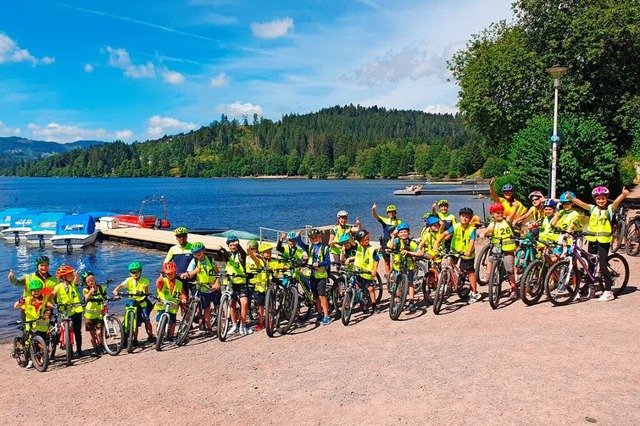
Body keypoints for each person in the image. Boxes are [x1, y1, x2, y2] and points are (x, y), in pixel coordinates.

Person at [566, 186, 630, 301]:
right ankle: (589, 286)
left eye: (603, 198)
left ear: (606, 198)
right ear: (595, 199)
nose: (600, 201)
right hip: (592, 239)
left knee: (603, 265)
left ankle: (608, 291)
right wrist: (571, 198)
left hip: (603, 241)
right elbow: (581, 204)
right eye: (598, 199)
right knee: (590, 263)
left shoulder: (609, 209)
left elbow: (616, 202)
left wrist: (623, 195)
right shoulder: (592, 209)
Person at [433, 207, 481, 303]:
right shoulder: (455, 226)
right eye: (463, 216)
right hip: (454, 250)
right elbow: (444, 234)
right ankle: (447, 282)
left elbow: (472, 241)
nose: (464, 218)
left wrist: (468, 251)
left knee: (469, 271)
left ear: (470, 218)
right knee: (446, 263)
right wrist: (436, 243)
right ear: (459, 217)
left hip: (467, 253)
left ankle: (474, 292)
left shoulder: (472, 229)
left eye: (467, 217)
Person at [481, 203, 518, 299]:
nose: (499, 215)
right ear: (492, 215)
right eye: (497, 213)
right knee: (490, 259)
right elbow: (488, 230)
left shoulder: (507, 221)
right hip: (497, 247)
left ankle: (513, 288)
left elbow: (512, 214)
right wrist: (483, 233)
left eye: (501, 213)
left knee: (509, 270)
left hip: (508, 249)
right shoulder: (492, 223)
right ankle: (488, 275)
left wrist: (516, 207)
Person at [112, 261, 155, 345]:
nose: (135, 274)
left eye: (137, 272)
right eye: (132, 272)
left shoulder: (145, 280)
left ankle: (150, 336)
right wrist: (115, 291)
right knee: (132, 320)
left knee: (146, 319)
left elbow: (146, 291)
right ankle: (134, 339)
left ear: (140, 271)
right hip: (132, 301)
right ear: (130, 273)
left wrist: (144, 291)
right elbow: (121, 286)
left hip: (142, 302)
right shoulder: (128, 280)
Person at [14, 278, 52, 368]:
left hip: (41, 324)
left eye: (38, 290)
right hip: (29, 324)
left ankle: (43, 357)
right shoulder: (27, 300)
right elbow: (15, 306)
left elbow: (48, 308)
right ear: (31, 291)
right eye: (34, 291)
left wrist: (48, 310)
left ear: (41, 290)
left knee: (43, 341)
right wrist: (20, 301)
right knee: (28, 342)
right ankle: (31, 359)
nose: (36, 292)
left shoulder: (44, 299)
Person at [387, 222, 424, 313]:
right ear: (398, 234)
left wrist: (409, 252)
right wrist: (393, 236)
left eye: (405, 232)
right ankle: (398, 300)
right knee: (398, 284)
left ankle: (411, 301)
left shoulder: (411, 243)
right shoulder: (396, 241)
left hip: (409, 267)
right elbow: (389, 247)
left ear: (408, 233)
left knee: (410, 283)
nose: (403, 234)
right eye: (401, 232)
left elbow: (420, 253)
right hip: (398, 266)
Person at [185, 242, 220, 337]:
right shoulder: (194, 261)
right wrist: (194, 271)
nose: (198, 254)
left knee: (218, 306)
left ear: (203, 251)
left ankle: (222, 323)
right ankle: (209, 328)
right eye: (195, 253)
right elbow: (190, 274)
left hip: (213, 287)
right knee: (206, 310)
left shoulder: (210, 260)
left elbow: (217, 273)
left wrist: (217, 283)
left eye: (199, 251)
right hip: (203, 289)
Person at [298, 228, 332, 325]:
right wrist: (298, 237)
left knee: (322, 296)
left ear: (319, 237)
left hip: (321, 275)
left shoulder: (324, 248)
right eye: (312, 238)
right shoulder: (310, 248)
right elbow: (301, 244)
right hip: (312, 275)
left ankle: (326, 315)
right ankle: (319, 314)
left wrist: (319, 264)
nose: (314, 239)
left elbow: (328, 262)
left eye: (316, 237)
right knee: (316, 296)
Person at [51, 265, 84, 358]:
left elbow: (77, 278)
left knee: (77, 331)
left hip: (76, 310)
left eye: (71, 274)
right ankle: (70, 350)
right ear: (64, 277)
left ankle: (79, 349)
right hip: (65, 311)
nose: (71, 276)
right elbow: (52, 295)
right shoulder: (58, 287)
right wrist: (49, 303)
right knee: (67, 331)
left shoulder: (72, 284)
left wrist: (74, 273)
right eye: (69, 275)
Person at [344, 229, 381, 313]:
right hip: (358, 271)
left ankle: (374, 306)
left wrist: (374, 269)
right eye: (365, 240)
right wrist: (348, 233)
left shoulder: (372, 249)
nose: (367, 240)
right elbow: (352, 241)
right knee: (358, 288)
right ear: (360, 242)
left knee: (371, 289)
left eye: (368, 239)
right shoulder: (359, 247)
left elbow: (377, 260)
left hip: (367, 273)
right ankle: (361, 303)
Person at [225, 235, 252, 335]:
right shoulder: (229, 256)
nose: (233, 247)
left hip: (242, 283)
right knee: (232, 304)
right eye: (231, 245)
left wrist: (239, 246)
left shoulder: (241, 255)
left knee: (244, 304)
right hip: (232, 283)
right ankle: (234, 325)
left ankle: (243, 325)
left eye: (234, 245)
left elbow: (243, 254)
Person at [155, 261, 185, 342]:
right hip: (162, 303)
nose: (170, 275)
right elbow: (158, 284)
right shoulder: (163, 281)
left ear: (175, 273)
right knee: (158, 320)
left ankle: (171, 336)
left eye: (172, 273)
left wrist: (183, 298)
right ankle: (159, 335)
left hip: (173, 305)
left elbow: (182, 293)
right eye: (168, 273)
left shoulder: (179, 283)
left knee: (172, 322)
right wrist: (160, 277)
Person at [371, 202, 401, 277]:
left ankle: (397, 275)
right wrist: (374, 209)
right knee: (387, 261)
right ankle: (388, 276)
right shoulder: (385, 220)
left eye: (393, 212)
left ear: (395, 213)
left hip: (395, 242)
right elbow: (375, 216)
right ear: (387, 213)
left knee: (397, 260)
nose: (391, 213)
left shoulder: (399, 222)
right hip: (386, 242)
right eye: (389, 212)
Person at [165, 227, 193, 305]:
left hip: (191, 277)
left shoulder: (192, 247)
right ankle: (184, 315)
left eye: (183, 236)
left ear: (187, 236)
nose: (181, 238)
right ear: (176, 238)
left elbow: (199, 262)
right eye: (179, 237)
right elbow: (166, 264)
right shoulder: (173, 249)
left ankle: (195, 314)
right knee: (182, 299)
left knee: (195, 298)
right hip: (178, 277)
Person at [81, 271, 106, 357]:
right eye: (88, 282)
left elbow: (105, 297)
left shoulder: (101, 288)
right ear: (86, 283)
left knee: (99, 332)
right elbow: (86, 297)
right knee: (91, 332)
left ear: (94, 279)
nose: (90, 282)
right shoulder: (85, 290)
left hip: (99, 314)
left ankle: (101, 346)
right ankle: (94, 348)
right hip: (89, 316)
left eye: (92, 280)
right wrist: (91, 291)